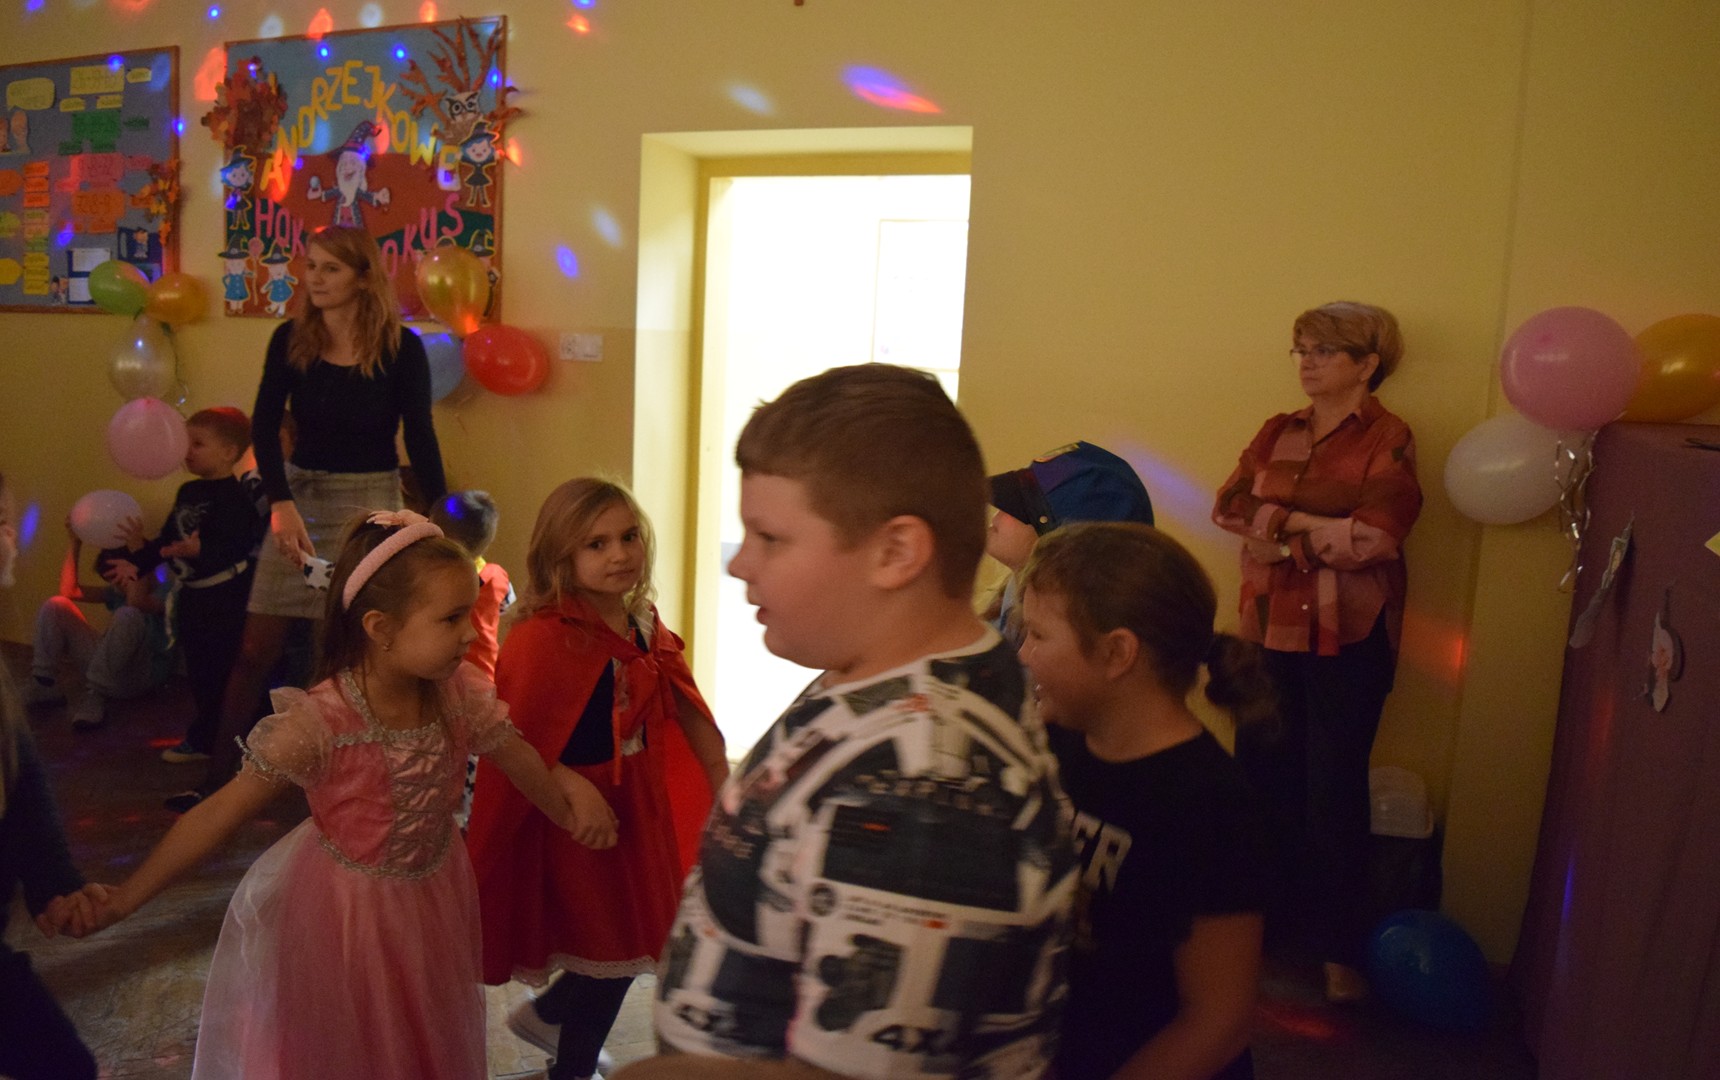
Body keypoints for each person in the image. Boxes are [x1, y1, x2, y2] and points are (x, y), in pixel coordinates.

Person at [627, 364, 1076, 1080]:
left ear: (895, 553)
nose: (741, 564)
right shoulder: (874, 675)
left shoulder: (928, 790)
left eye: (770, 538)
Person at [42, 510, 581, 1079]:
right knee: (360, 1041)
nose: (470, 633)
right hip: (350, 915)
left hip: (434, 891)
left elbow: (515, 754)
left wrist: (569, 813)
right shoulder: (321, 722)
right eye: (451, 618)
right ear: (380, 628)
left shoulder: (456, 693)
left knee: (423, 1022)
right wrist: (123, 901)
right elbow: (218, 813)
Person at [167, 223, 446, 814]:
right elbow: (265, 426)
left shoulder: (402, 348)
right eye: (311, 266)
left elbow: (419, 435)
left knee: (346, 652)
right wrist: (282, 504)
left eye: (330, 269)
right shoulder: (291, 339)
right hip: (300, 494)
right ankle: (217, 782)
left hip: (368, 496)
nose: (314, 279)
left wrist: (440, 515)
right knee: (255, 649)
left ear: (363, 278)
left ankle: (337, 787)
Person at [468, 478, 728, 1080]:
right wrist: (568, 788)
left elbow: (682, 703)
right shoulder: (543, 636)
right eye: (596, 544)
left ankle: (553, 1020)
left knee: (630, 941)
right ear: (561, 556)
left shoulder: (641, 620)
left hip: (635, 801)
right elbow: (514, 736)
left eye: (629, 536)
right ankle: (569, 1059)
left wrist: (719, 777)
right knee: (613, 947)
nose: (619, 554)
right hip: (577, 816)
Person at [1211, 301, 1423, 1003]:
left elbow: (1379, 535)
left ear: (1367, 364)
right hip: (1268, 628)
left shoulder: (1389, 436)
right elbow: (1229, 506)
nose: (1306, 362)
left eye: (1324, 351)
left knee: (1333, 791)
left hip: (1348, 635)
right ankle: (1256, 934)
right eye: (1301, 348)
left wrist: (1284, 537)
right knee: (1258, 780)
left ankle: (1338, 952)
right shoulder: (1278, 430)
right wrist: (1316, 525)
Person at [1020, 523, 1274, 1080]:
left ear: (1117, 653)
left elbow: (1219, 1021)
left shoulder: (1210, 806)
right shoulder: (1058, 741)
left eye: (1037, 635)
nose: (1024, 654)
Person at [119, 407, 269, 763]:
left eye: (197, 444)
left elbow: (238, 548)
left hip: (225, 598)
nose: (186, 451)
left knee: (224, 670)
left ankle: (240, 740)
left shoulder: (236, 498)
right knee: (199, 671)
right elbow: (168, 538)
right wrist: (138, 561)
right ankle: (206, 736)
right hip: (192, 596)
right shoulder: (188, 490)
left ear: (228, 452)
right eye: (185, 442)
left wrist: (203, 551)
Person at [984, 441, 1155, 646]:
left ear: (1059, 548)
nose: (999, 512)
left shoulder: (1062, 647)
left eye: (1018, 508)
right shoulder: (1010, 600)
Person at [29, 525, 172, 730]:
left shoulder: (168, 593)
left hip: (139, 678)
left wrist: (138, 555)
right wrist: (75, 542)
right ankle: (44, 684)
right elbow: (69, 591)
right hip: (107, 669)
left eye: (121, 579)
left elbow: (137, 602)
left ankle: (95, 695)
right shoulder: (118, 592)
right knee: (56, 604)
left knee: (129, 614)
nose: (117, 586)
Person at [430, 489, 514, 681]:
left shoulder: (436, 581)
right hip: (487, 673)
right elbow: (506, 612)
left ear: (438, 537)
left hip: (452, 675)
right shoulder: (498, 576)